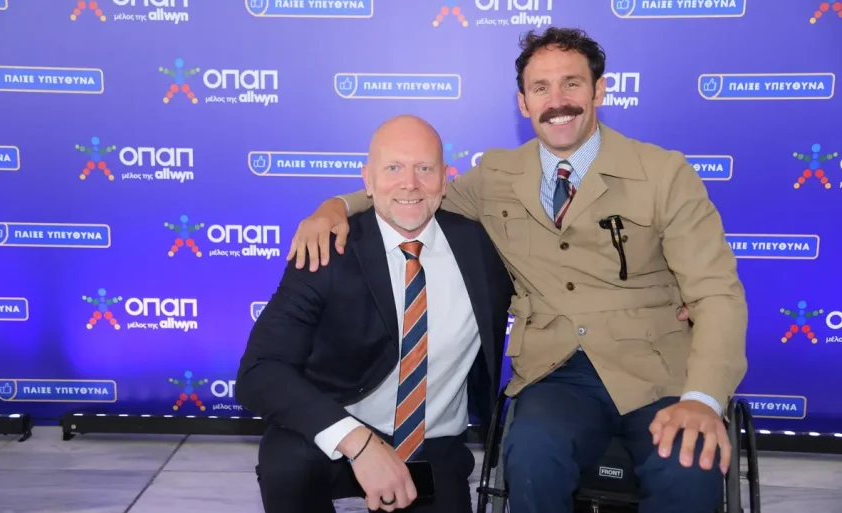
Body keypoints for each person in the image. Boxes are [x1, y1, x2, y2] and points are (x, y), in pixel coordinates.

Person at [282, 27, 748, 513]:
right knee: (530, 455)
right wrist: (336, 206)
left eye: (572, 83)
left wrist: (702, 399)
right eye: (541, 88)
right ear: (523, 103)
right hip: (557, 373)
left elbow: (717, 293)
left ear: (600, 90)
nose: (557, 101)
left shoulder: (664, 173)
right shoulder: (497, 175)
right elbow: (416, 193)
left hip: (659, 371)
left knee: (690, 467)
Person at [236, 114, 514, 513]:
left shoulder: (486, 249)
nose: (410, 183)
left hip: (434, 445)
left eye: (424, 168)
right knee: (286, 460)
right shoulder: (327, 248)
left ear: (445, 179)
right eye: (393, 168)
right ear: (367, 180)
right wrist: (358, 442)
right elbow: (259, 371)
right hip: (343, 432)